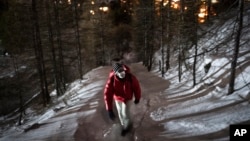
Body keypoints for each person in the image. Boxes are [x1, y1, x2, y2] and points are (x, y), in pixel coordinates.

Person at [104, 63, 141, 136]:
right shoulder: (112, 80)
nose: (121, 72)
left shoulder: (130, 77)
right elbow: (107, 94)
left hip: (128, 98)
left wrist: (137, 98)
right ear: (115, 73)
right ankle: (124, 125)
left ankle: (127, 128)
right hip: (118, 99)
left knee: (125, 113)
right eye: (119, 71)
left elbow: (136, 88)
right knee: (120, 114)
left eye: (122, 70)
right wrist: (109, 109)